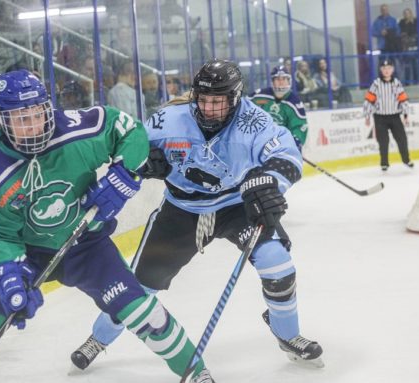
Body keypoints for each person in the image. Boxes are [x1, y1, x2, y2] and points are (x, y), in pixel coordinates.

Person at [0, 70, 215, 383]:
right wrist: (7, 270)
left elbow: (129, 131)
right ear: (2, 121)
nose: (30, 127)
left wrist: (123, 175)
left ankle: (195, 372)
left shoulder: (78, 129)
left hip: (87, 244)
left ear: (47, 107)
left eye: (35, 115)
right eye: (19, 119)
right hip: (27, 254)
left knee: (144, 313)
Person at [70, 58, 323, 371]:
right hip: (181, 211)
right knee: (139, 286)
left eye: (219, 102)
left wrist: (269, 181)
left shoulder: (253, 120)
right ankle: (99, 338)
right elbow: (132, 145)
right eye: (204, 100)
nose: (210, 109)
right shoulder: (168, 119)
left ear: (235, 97)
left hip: (235, 206)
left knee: (277, 263)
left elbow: (285, 154)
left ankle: (288, 333)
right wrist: (143, 161)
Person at [363, 60, 412, 171]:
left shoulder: (397, 83)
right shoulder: (376, 84)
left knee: (402, 139)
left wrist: (405, 115)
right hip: (380, 117)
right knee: (383, 141)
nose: (386, 70)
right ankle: (384, 163)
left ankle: (406, 160)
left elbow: (403, 100)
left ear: (392, 70)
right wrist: (367, 116)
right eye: (384, 68)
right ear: (381, 70)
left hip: (395, 116)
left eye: (389, 68)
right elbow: (369, 100)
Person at [248, 65, 308, 151]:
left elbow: (300, 126)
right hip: (259, 146)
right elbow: (243, 108)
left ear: (289, 81)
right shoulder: (259, 96)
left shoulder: (294, 101)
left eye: (284, 79)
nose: (281, 82)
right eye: (277, 79)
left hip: (283, 146)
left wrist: (295, 142)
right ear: (272, 81)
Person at [398, 8, 419, 84]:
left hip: (414, 47)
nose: (406, 15)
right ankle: (407, 82)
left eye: (408, 13)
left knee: (415, 65)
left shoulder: (415, 22)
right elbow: (400, 34)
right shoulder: (402, 23)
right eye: (405, 13)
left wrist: (413, 38)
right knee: (407, 66)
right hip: (405, 47)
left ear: (411, 13)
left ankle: (416, 81)